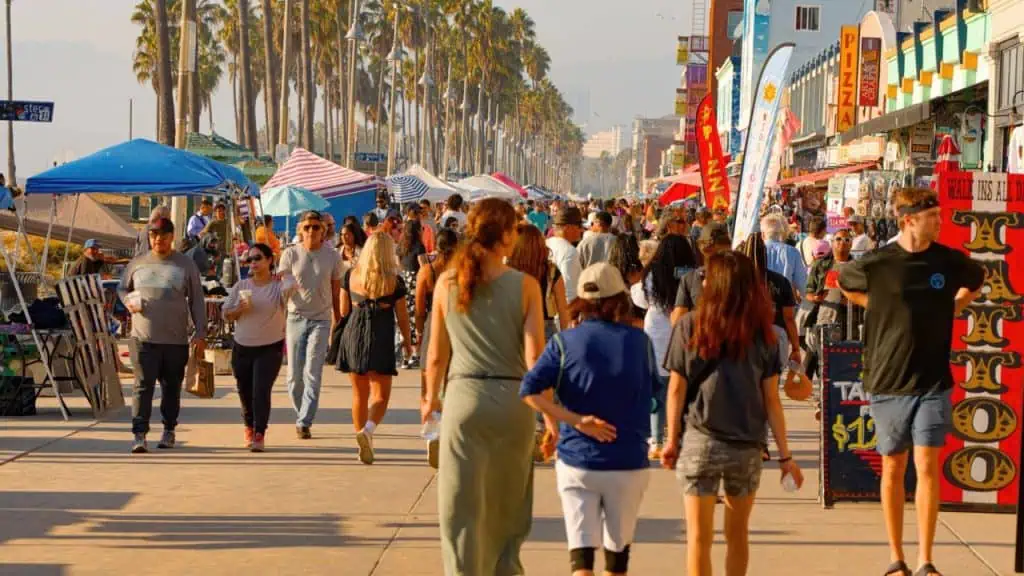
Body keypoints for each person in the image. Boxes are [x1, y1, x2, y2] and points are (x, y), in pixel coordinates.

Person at [838, 187, 984, 576]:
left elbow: (977, 278)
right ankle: (896, 556)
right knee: (892, 465)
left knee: (926, 462)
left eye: (939, 214)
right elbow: (844, 281)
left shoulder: (948, 260)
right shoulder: (878, 262)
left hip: (934, 379)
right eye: (932, 216)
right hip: (887, 380)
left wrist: (955, 305)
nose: (940, 221)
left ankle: (925, 559)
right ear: (908, 221)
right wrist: (878, 306)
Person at [422, 198, 546, 575]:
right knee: (508, 511)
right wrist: (552, 418)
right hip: (514, 403)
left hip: (463, 399)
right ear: (507, 235)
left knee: (460, 511)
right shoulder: (526, 286)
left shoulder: (447, 282)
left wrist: (430, 398)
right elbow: (535, 360)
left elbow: (436, 356)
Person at [661, 251, 804, 576]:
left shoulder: (688, 325)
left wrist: (670, 440)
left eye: (707, 277)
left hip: (699, 440)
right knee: (737, 534)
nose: (703, 281)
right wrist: (785, 456)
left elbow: (675, 389)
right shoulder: (762, 332)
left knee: (699, 537)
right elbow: (772, 399)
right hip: (746, 444)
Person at [520, 263, 655, 576]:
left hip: (577, 460)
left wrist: (573, 420)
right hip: (628, 461)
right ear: (619, 298)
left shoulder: (564, 343)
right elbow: (653, 395)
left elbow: (530, 390)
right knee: (617, 560)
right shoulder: (640, 342)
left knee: (580, 559)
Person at [119, 217, 207, 453]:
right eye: (154, 235)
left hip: (175, 339)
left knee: (171, 388)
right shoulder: (136, 264)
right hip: (143, 337)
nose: (159, 240)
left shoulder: (186, 265)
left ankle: (169, 430)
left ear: (172, 237)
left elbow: (197, 300)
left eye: (164, 236)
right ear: (149, 237)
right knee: (142, 386)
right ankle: (139, 434)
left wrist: (201, 332)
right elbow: (121, 288)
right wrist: (128, 301)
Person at [338, 231, 414, 464]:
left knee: (359, 394)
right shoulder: (394, 281)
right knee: (381, 395)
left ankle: (361, 439)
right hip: (380, 335)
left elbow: (343, 311)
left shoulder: (351, 275)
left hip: (354, 332)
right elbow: (402, 317)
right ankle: (368, 431)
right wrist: (408, 344)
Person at [277, 210, 345, 439]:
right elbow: (282, 287)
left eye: (316, 227)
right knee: (294, 376)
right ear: (300, 230)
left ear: (323, 231)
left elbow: (336, 290)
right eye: (307, 227)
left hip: (321, 319)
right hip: (295, 317)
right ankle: (301, 413)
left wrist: (338, 319)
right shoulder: (290, 254)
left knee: (312, 371)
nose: (312, 231)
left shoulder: (333, 256)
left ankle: (305, 421)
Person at [630, 235, 697, 459]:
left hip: (656, 329)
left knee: (658, 390)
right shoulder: (693, 273)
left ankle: (657, 441)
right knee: (684, 388)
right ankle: (681, 438)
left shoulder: (652, 272)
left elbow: (640, 299)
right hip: (685, 329)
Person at [221, 243, 288, 452]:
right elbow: (226, 314)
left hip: (270, 346)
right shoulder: (241, 286)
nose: (253, 263)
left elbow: (295, 290)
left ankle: (260, 432)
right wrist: (238, 309)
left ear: (270, 260)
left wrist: (284, 277)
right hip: (242, 346)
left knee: (261, 390)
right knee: (244, 391)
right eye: (249, 259)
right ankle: (248, 427)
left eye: (258, 258)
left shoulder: (278, 287)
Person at [415, 227, 459, 466]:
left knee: (429, 380)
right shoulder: (461, 273)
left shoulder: (428, 271)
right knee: (452, 383)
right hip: (457, 325)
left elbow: (420, 307)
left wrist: (419, 333)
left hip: (434, 323)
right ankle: (447, 432)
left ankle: (431, 431)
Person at [509, 223, 570, 339]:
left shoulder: (508, 270)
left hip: (515, 329)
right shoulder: (551, 271)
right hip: (545, 329)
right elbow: (563, 311)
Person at [669, 222, 732, 327]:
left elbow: (677, 321)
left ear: (701, 248)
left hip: (701, 339)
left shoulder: (690, 278)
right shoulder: (742, 274)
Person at [398, 219, 427, 367]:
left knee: (404, 318)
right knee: (417, 316)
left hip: (403, 281)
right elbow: (423, 266)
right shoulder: (419, 246)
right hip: (416, 282)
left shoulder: (401, 246)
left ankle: (405, 355)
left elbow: (398, 265)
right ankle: (416, 353)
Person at [761, 214, 807, 297]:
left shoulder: (755, 251)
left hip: (760, 301)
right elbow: (802, 285)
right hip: (784, 302)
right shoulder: (792, 252)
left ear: (762, 234)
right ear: (784, 233)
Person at [547, 206, 585, 303]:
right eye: (579, 226)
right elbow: (570, 293)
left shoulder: (548, 243)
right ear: (568, 227)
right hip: (563, 314)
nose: (582, 230)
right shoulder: (569, 252)